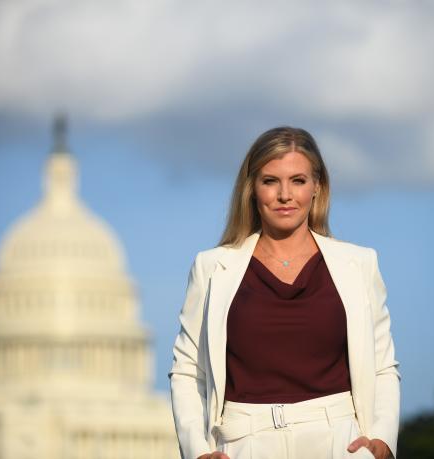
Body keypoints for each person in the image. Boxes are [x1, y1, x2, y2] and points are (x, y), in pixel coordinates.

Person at [168, 127, 400, 459]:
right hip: (245, 442)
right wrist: (199, 452)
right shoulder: (212, 267)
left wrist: (382, 439)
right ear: (252, 189)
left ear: (317, 187)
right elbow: (189, 369)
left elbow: (383, 365)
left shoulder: (359, 264)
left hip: (339, 442)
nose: (285, 195)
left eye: (298, 181)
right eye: (270, 181)